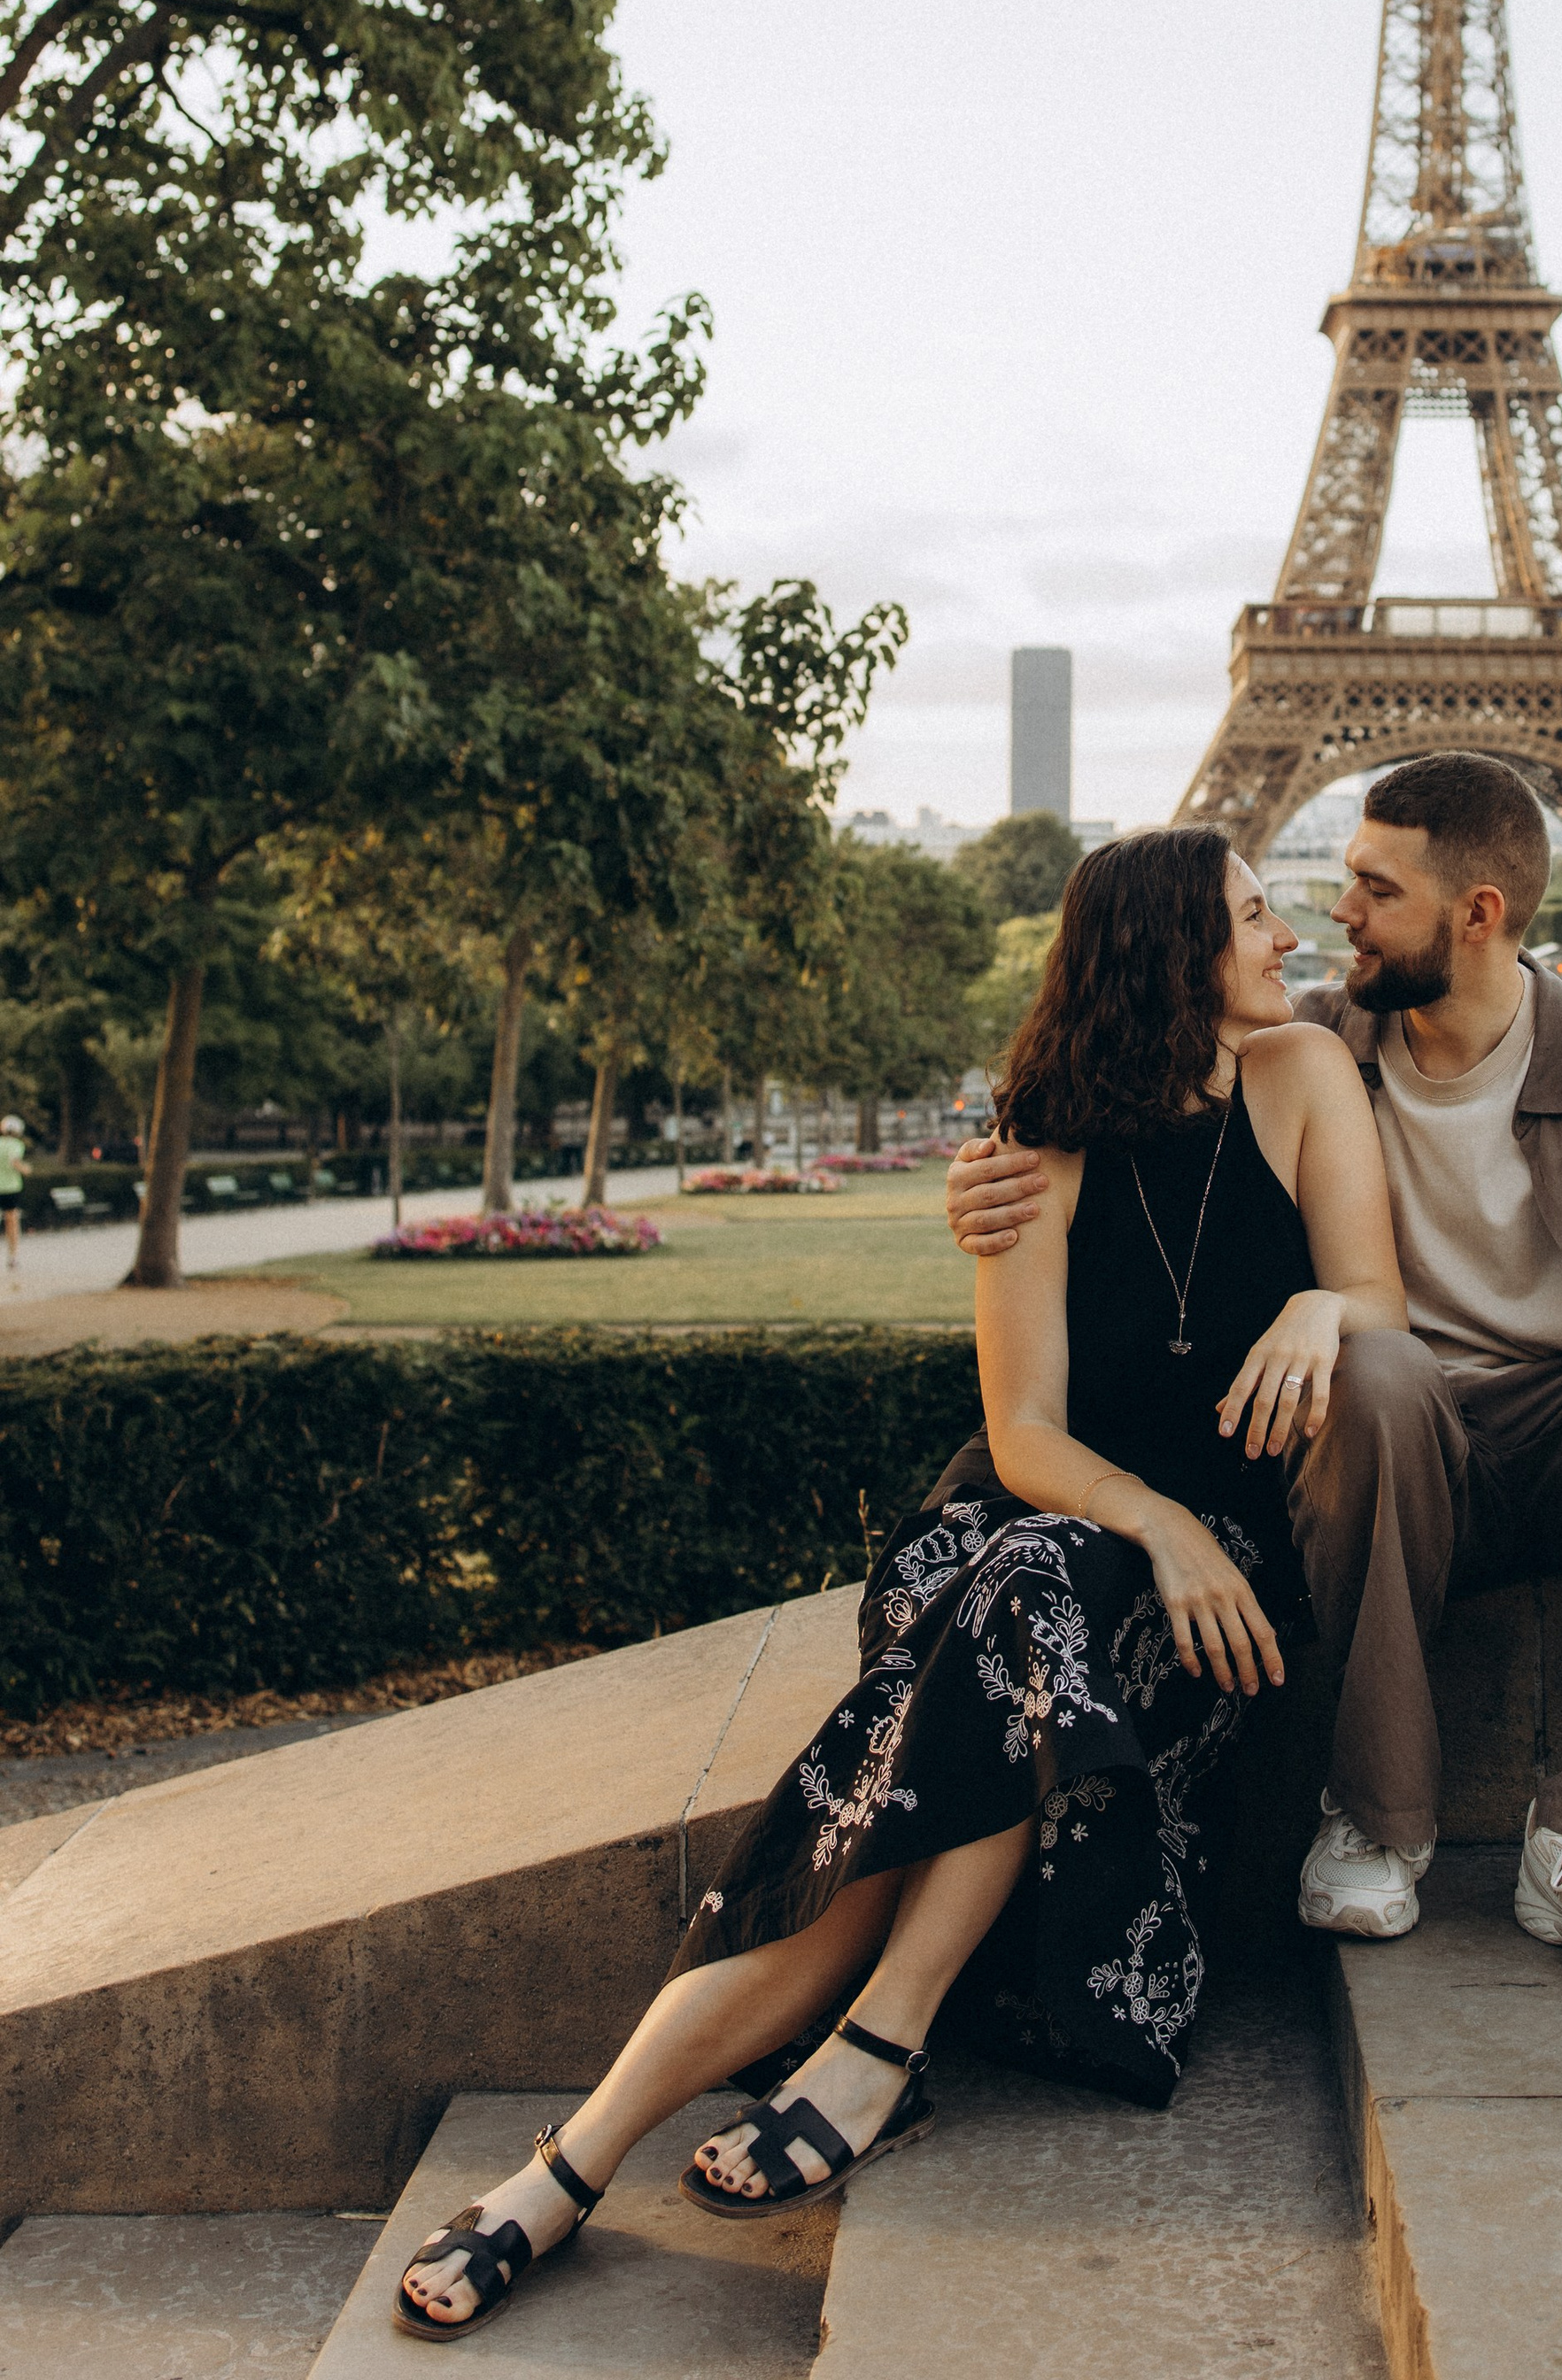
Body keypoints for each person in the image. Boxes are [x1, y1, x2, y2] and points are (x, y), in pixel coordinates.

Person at [394, 827, 1403, 2341]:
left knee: (925, 1744)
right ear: (1171, 956)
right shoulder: (1035, 1141)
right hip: (1034, 1534)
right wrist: (1165, 1524)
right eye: (1259, 920)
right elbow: (1025, 1438)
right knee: (1036, 1587)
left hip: (1186, 1597)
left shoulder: (1307, 1078)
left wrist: (1326, 1308)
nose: (1290, 944)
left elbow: (1378, 1295)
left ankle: (570, 2164)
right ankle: (867, 2046)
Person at [947, 753, 1562, 2004]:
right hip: (1399, 1432)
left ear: (1478, 915)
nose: (1335, 916)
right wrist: (987, 1179)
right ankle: (1375, 1813)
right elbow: (1130, 1088)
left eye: (1374, 887)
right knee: (1382, 1368)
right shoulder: (1313, 1043)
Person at [0, 1115, 23, 1287]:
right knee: (12, 1222)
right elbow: (14, 1161)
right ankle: (12, 1256)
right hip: (12, 1188)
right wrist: (26, 1169)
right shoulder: (17, 1145)